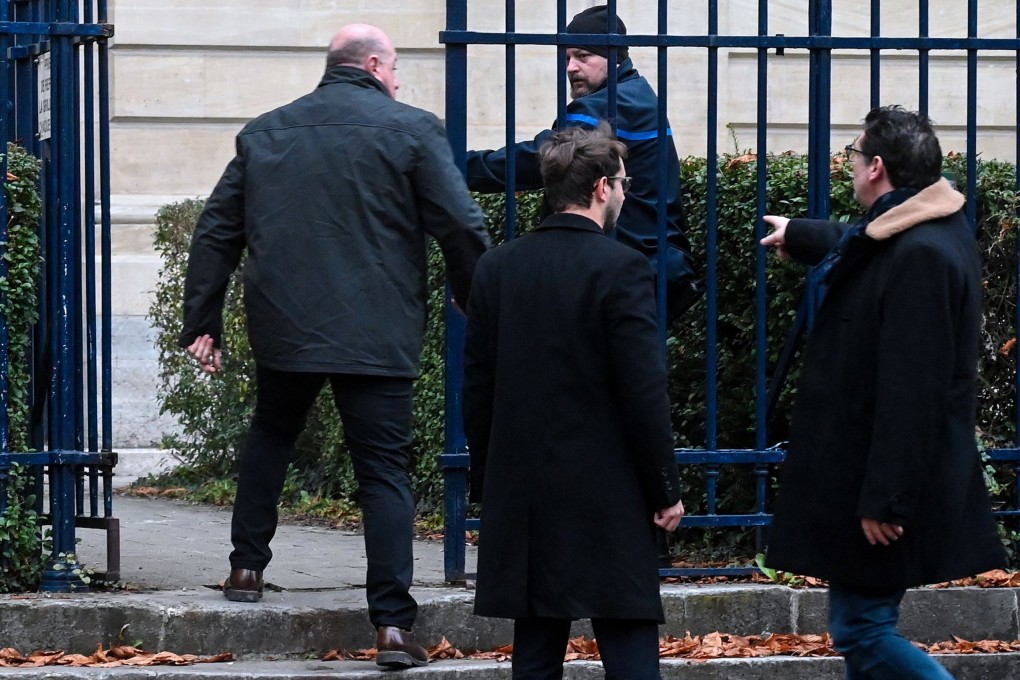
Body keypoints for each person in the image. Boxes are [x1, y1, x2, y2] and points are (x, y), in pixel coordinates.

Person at [178, 24, 490, 670]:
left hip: (285, 328)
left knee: (271, 435)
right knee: (383, 472)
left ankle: (244, 568)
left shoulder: (266, 134)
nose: (399, 80)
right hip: (376, 332)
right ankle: (394, 627)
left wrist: (200, 320)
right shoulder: (411, 131)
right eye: (397, 68)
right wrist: (470, 293)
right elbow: (460, 223)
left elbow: (215, 232)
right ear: (375, 65)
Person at [762, 106, 1006, 679]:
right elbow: (867, 244)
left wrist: (887, 499)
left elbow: (913, 388)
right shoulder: (927, 228)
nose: (847, 168)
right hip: (877, 475)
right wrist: (801, 235)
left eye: (852, 157)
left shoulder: (921, 255)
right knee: (864, 626)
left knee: (862, 630)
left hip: (885, 483)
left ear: (875, 167)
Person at [463, 123, 685, 680]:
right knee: (629, 641)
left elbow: (478, 388)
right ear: (602, 187)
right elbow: (642, 389)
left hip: (527, 494)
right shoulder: (624, 267)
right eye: (625, 183)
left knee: (536, 652)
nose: (626, 193)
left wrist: (489, 481)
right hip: (610, 492)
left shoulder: (497, 269)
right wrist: (665, 488)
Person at [466, 4, 700, 323]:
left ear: (614, 57)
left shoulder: (605, 105)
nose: (571, 67)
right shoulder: (639, 95)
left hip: (621, 269)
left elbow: (543, 159)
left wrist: (462, 167)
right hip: (648, 265)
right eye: (567, 58)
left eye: (583, 56)